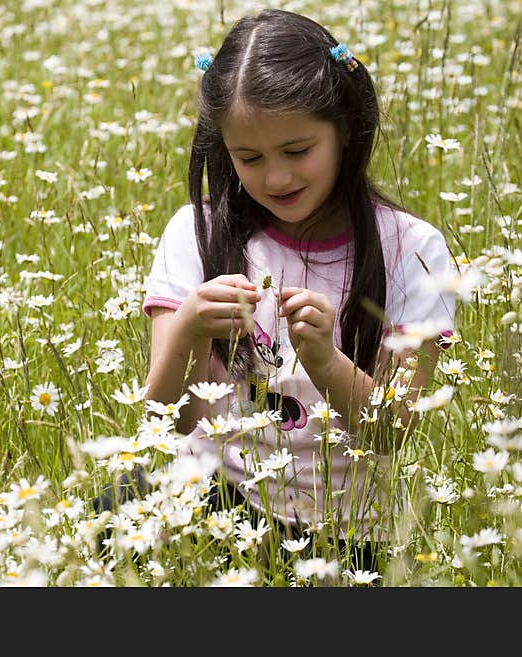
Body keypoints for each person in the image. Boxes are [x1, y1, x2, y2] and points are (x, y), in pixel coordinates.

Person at [139, 8, 457, 569]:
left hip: (346, 528)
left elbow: (390, 435)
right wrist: (189, 327)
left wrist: (326, 361)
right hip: (210, 503)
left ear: (346, 129)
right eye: (250, 158)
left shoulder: (412, 249)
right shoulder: (198, 232)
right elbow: (163, 423)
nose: (276, 178)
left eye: (297, 151)